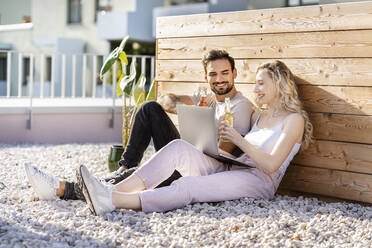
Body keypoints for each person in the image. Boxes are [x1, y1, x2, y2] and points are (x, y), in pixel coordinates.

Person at [78, 60, 314, 215]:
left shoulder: (294, 120)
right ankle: (113, 189)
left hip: (259, 181)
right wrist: (215, 146)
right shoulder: (261, 116)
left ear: (279, 84)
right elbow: (243, 146)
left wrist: (239, 141)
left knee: (188, 186)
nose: (255, 89)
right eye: (255, 84)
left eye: (261, 83)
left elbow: (272, 165)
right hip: (236, 167)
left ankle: (113, 201)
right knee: (179, 147)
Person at [24, 49, 254, 201]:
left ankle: (61, 188)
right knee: (149, 108)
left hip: (204, 171)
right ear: (206, 77)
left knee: (141, 175)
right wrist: (187, 107)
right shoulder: (206, 97)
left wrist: (202, 133)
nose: (219, 79)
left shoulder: (240, 106)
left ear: (234, 73)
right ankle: (124, 168)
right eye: (213, 74)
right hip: (187, 153)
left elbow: (227, 151)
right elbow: (166, 100)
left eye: (225, 73)